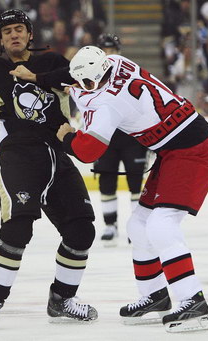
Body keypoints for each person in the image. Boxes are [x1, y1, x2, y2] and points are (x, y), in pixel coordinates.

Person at [14, 46, 208, 333]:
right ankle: (155, 294)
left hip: (191, 151)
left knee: (161, 225)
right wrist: (36, 76)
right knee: (138, 225)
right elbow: (71, 75)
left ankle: (192, 300)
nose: (78, 86)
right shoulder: (114, 61)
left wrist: (67, 136)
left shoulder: (107, 105)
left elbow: (88, 151)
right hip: (175, 147)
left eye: (84, 83)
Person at [0, 9, 98, 328]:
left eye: (19, 29)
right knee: (18, 228)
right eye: (7, 31)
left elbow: (85, 86)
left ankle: (62, 299)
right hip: (19, 154)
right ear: (0, 39)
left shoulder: (53, 63)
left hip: (58, 153)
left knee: (82, 229)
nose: (14, 34)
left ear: (30, 35)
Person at [91, 33, 149, 246]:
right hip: (105, 138)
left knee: (136, 183)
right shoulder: (89, 76)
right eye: (105, 50)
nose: (109, 55)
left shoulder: (131, 73)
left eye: (112, 50)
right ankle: (110, 225)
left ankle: (137, 227)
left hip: (132, 137)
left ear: (119, 52)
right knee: (107, 181)